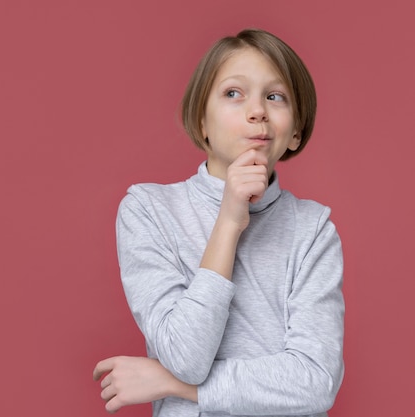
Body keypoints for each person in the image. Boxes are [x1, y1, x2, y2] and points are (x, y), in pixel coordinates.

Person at [93, 28, 345, 417]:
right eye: (233, 93)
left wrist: (171, 384)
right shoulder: (149, 210)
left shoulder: (313, 229)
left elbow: (315, 382)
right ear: (202, 121)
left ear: (295, 131)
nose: (257, 109)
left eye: (275, 97)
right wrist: (229, 220)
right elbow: (186, 356)